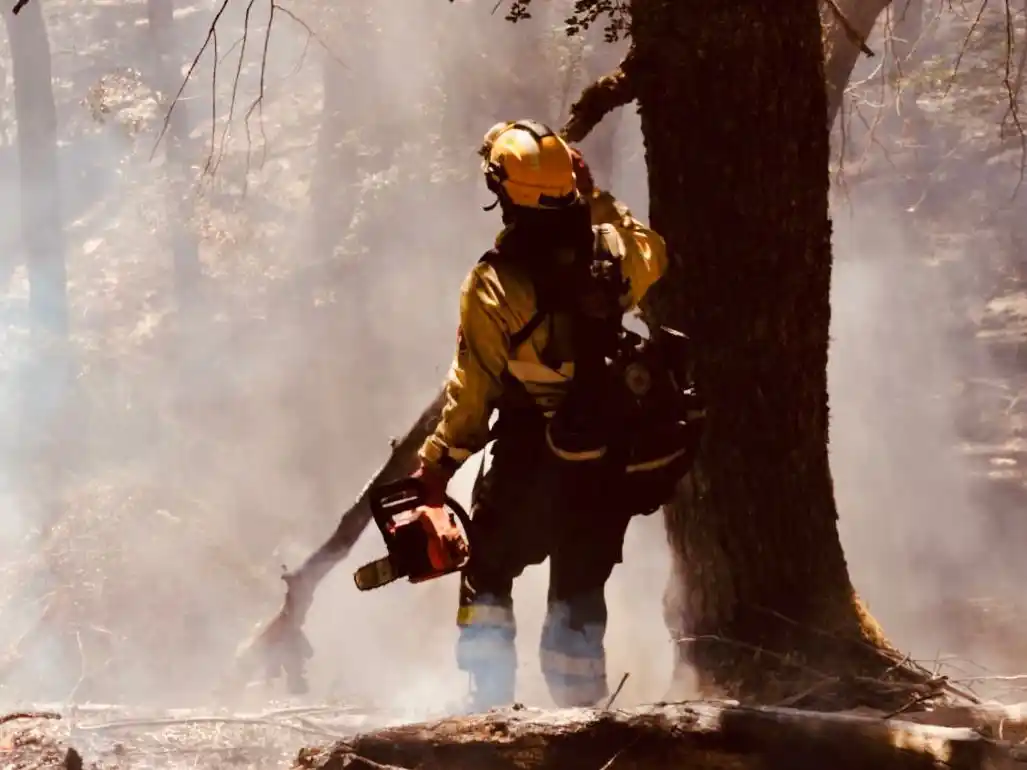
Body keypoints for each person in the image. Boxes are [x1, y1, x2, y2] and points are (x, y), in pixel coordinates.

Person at [412, 119, 673, 711]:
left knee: (486, 577)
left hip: (529, 462)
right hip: (606, 463)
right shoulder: (609, 253)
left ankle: (489, 717)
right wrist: (597, 194)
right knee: (579, 594)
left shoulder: (492, 286)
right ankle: (585, 731)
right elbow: (653, 252)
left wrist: (434, 470)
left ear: (506, 195)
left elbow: (471, 401)